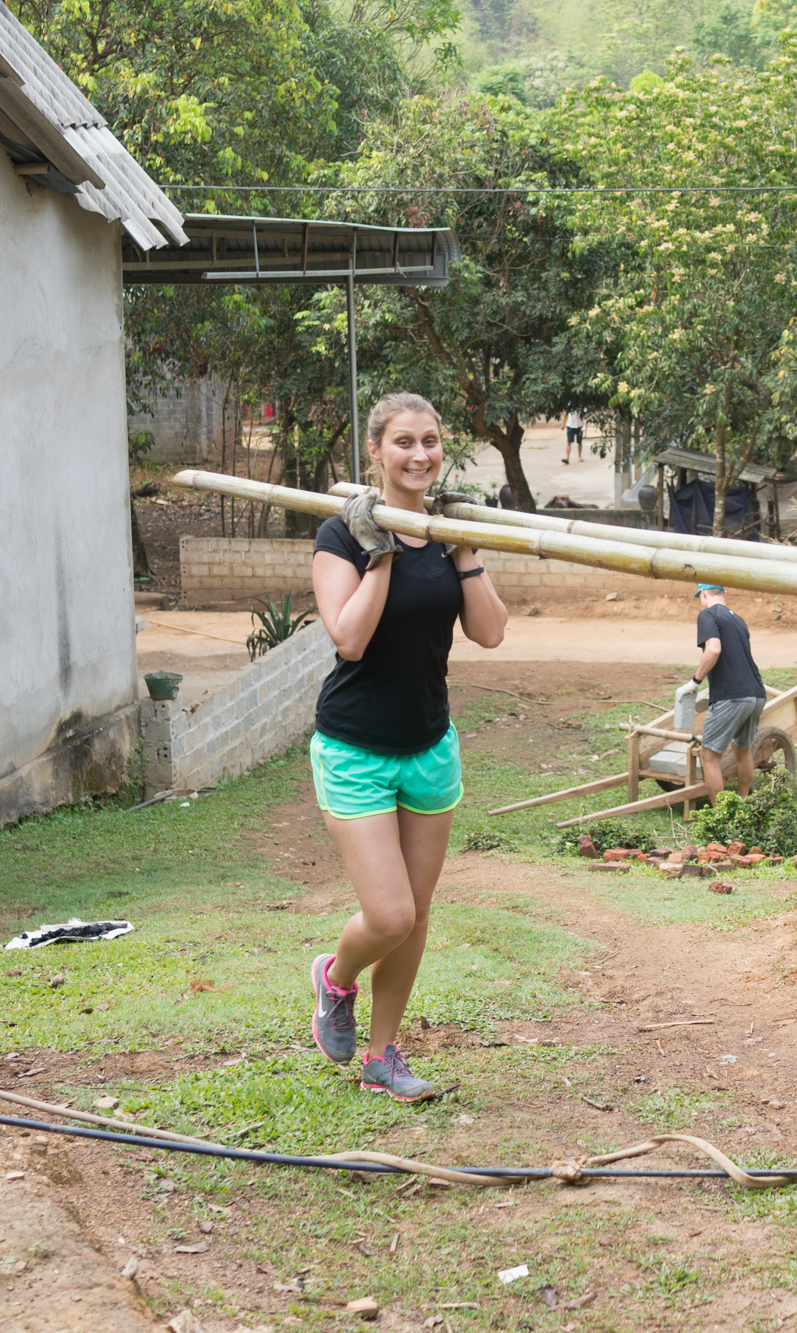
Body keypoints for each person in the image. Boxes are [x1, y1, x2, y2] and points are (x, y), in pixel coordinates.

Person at [307, 392, 508, 1099]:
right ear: (377, 452)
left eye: (430, 441)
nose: (419, 454)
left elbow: (489, 632)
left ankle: (382, 1055)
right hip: (355, 747)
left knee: (416, 914)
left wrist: (462, 546)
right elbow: (350, 637)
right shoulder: (341, 535)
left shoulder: (449, 534)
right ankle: (335, 978)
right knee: (388, 913)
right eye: (403, 442)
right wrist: (382, 549)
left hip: (429, 744)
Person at [692, 584, 765, 796]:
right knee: (743, 751)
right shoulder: (738, 620)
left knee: (709, 755)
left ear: (703, 594)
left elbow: (713, 650)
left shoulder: (707, 615)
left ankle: (721, 821)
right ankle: (742, 807)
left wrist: (695, 681)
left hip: (732, 696)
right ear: (725, 592)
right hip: (756, 693)